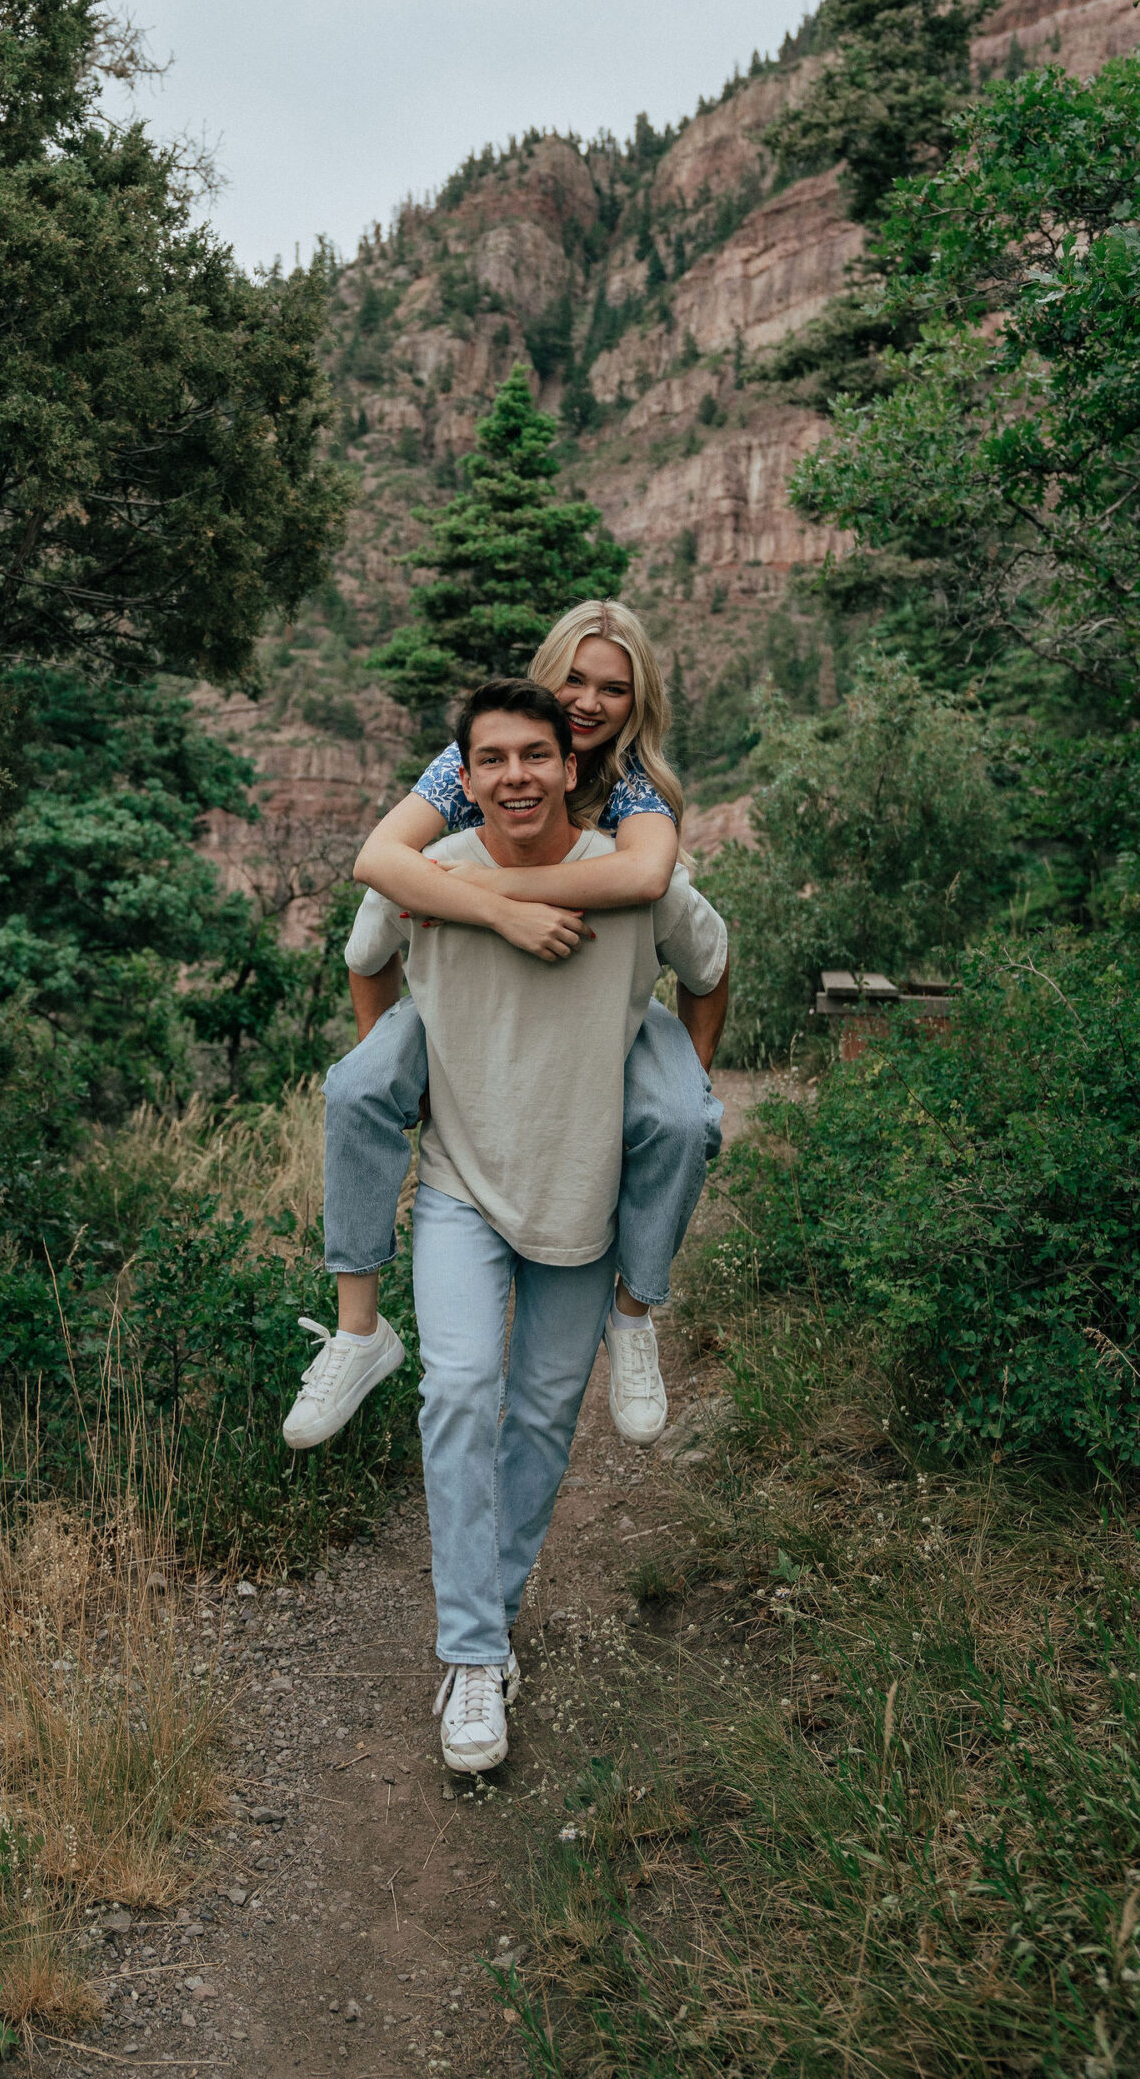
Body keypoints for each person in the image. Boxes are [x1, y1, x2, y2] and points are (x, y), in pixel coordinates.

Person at [338, 680, 729, 1769]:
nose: (516, 775)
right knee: (459, 1391)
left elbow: (711, 962)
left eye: (536, 756)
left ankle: (490, 1620)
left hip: (582, 1196)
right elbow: (366, 957)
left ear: (573, 767)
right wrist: (400, 1072)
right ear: (464, 782)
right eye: (493, 759)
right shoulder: (434, 875)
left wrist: (678, 1096)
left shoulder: (639, 879)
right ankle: (470, 1657)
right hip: (461, 1187)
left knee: (544, 1420)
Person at [283, 599, 726, 1455]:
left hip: (601, 993)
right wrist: (488, 924)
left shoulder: (635, 784)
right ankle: (358, 1331)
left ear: (639, 706)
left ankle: (633, 1317)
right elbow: (379, 863)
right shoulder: (471, 759)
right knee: (359, 1084)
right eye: (575, 679)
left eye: (615, 690)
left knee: (682, 1117)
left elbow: (643, 880)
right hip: (464, 993)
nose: (591, 702)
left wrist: (483, 903)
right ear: (545, 672)